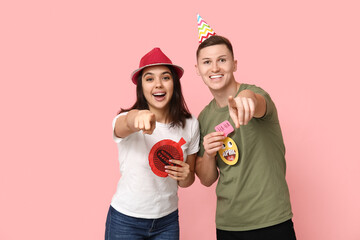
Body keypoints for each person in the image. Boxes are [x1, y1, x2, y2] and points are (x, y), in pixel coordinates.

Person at [194, 34, 297, 239]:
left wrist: (245, 100)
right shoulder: (204, 118)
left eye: (222, 60)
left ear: (234, 64)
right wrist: (208, 155)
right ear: (198, 69)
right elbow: (207, 179)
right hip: (228, 225)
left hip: (272, 220)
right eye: (207, 62)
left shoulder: (256, 94)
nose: (215, 68)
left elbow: (256, 102)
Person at [105, 47, 199, 240]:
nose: (158, 84)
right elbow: (124, 124)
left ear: (174, 83)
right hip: (125, 220)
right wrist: (136, 117)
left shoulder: (191, 124)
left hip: (167, 221)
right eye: (149, 79)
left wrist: (186, 174)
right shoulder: (127, 120)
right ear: (141, 86)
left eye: (165, 77)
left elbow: (187, 180)